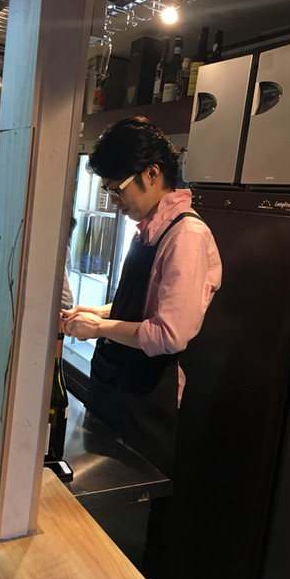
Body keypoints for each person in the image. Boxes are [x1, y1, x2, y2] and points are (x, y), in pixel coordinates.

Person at [62, 116, 222, 479]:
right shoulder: (149, 230)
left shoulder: (187, 236)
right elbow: (143, 307)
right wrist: (98, 312)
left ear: (151, 174)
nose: (114, 201)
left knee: (127, 497)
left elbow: (168, 334)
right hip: (116, 387)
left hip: (143, 400)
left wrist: (99, 327)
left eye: (117, 189)